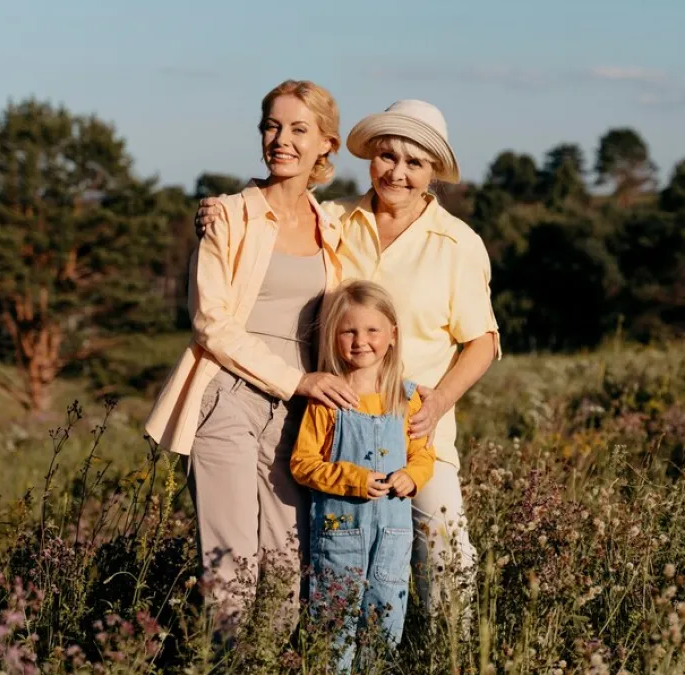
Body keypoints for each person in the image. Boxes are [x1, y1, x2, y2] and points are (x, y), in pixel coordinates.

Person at [196, 99, 501, 622]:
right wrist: (221, 208)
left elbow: (484, 342)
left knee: (444, 549)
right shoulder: (332, 220)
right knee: (327, 556)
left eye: (414, 163)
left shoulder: (458, 244)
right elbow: (276, 210)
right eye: (387, 157)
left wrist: (440, 402)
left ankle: (445, 653)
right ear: (370, 159)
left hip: (414, 431)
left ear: (433, 173)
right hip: (329, 426)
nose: (397, 173)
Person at [144, 79, 362, 633]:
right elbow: (211, 324)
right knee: (231, 573)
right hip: (230, 398)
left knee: (288, 572)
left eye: (297, 129)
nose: (280, 140)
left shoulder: (333, 225)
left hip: (298, 415)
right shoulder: (230, 216)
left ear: (325, 146)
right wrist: (297, 381)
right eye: (271, 126)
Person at [289, 279, 435, 671]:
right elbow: (303, 463)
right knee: (333, 625)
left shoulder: (407, 398)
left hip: (393, 537)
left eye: (372, 330)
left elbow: (423, 455)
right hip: (339, 536)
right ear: (334, 337)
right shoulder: (328, 399)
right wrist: (351, 479)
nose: (360, 341)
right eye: (348, 331)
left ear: (392, 335)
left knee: (384, 623)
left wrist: (412, 477)